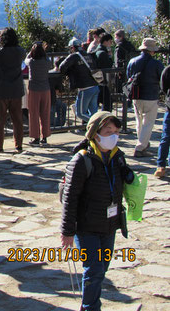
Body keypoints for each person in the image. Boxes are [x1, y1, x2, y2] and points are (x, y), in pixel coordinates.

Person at [61, 111, 134, 311]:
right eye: (108, 130)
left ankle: (87, 306)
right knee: (93, 270)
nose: (113, 135)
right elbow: (70, 197)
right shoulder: (81, 160)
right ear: (95, 133)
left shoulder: (118, 156)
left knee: (101, 270)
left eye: (116, 131)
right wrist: (67, 231)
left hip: (109, 225)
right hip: (86, 227)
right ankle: (92, 308)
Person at [0, 28, 26, 153]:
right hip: (16, 90)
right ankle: (18, 145)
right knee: (17, 119)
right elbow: (21, 52)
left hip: (0, 90)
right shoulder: (20, 52)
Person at [127, 38, 164, 157]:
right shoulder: (157, 64)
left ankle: (142, 142)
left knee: (139, 121)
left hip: (136, 95)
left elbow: (128, 76)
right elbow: (162, 79)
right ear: (152, 51)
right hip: (151, 95)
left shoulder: (132, 61)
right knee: (148, 123)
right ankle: (140, 146)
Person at [59, 38, 99, 124]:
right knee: (94, 113)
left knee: (80, 113)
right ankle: (95, 132)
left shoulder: (74, 56)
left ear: (72, 47)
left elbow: (62, 67)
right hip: (95, 86)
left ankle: (97, 125)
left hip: (85, 88)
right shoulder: (88, 55)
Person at [25, 42, 53, 146]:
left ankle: (35, 137)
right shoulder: (47, 62)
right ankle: (44, 137)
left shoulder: (31, 62)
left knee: (33, 113)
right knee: (45, 113)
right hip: (45, 89)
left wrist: (31, 51)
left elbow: (26, 59)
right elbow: (49, 62)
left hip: (34, 90)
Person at [155, 64, 170, 177]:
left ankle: (161, 166)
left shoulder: (168, 69)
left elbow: (164, 88)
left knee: (166, 137)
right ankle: (161, 165)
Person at [93, 33, 114, 112]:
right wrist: (110, 57)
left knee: (96, 102)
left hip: (97, 80)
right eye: (110, 41)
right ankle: (105, 118)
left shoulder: (97, 51)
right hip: (101, 80)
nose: (111, 43)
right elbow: (108, 66)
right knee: (107, 102)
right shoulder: (103, 53)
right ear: (105, 41)